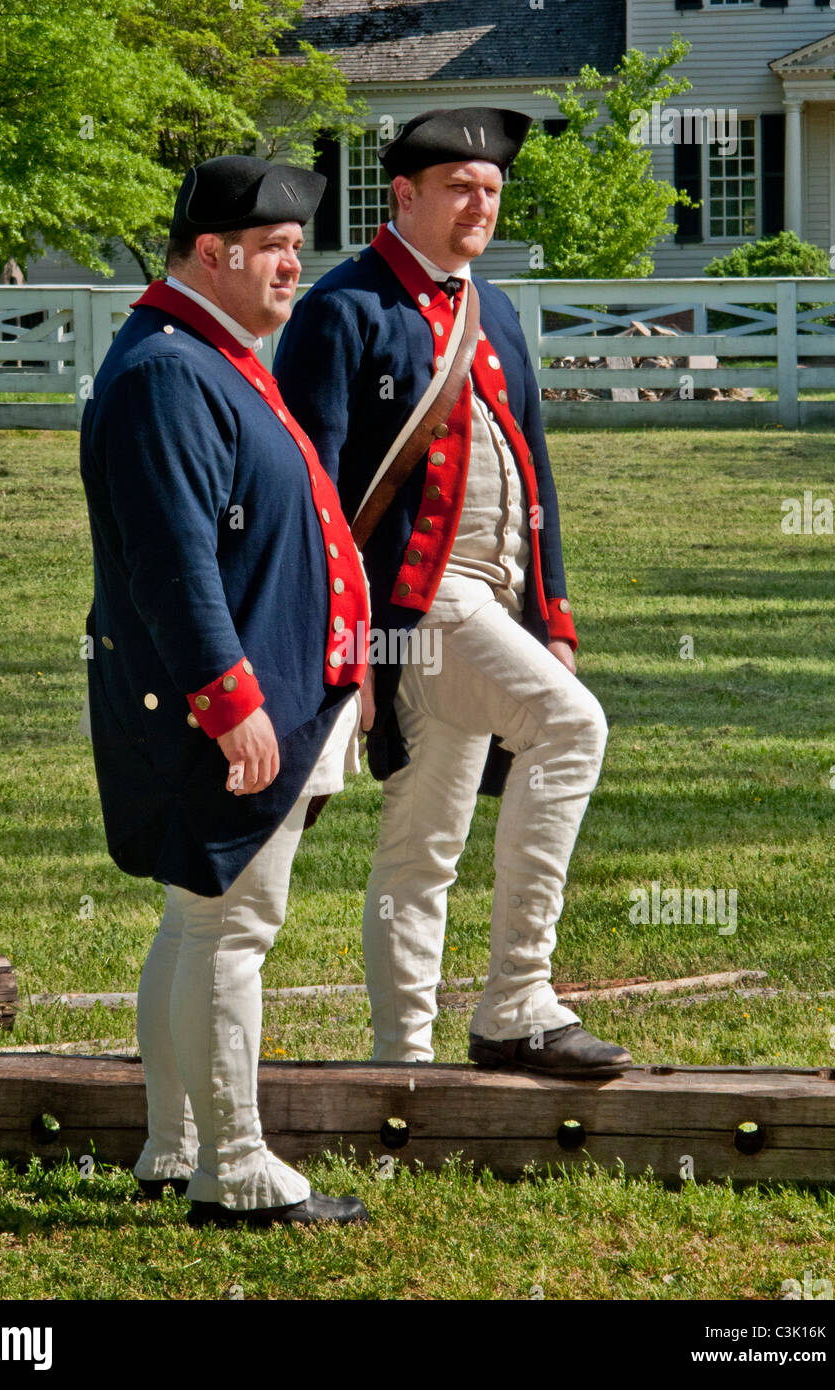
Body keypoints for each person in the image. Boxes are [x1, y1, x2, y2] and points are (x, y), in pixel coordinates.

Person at [274, 108, 632, 1076]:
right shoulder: (343, 309)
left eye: (492, 189)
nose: (482, 205)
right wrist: (334, 643)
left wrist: (552, 617)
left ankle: (406, 1065)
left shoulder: (498, 311)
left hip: (492, 604)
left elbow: (537, 472)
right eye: (460, 188)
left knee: (425, 843)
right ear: (404, 195)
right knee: (573, 729)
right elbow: (308, 496)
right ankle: (518, 999)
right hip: (415, 615)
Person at [79, 155, 371, 1227]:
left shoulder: (210, 356)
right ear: (212, 254)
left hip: (264, 690)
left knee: (195, 923)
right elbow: (172, 559)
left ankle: (173, 1144)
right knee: (230, 928)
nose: (296, 265)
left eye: (301, 248)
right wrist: (228, 696)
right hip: (224, 706)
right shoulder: (170, 371)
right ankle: (236, 1168)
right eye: (276, 250)